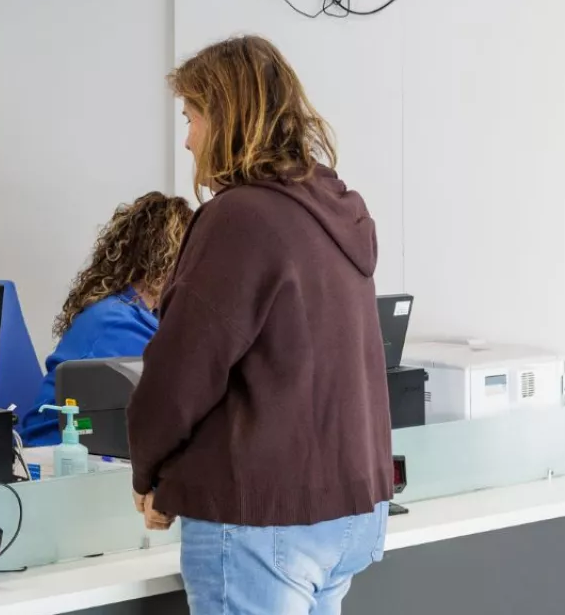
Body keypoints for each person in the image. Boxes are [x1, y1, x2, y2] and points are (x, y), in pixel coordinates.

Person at [128, 36, 391, 614]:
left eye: (192, 117)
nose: (189, 138)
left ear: (226, 119)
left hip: (263, 518)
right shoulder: (336, 210)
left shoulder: (239, 217)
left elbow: (181, 373)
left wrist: (148, 472)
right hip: (347, 512)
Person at [16, 192, 193, 446]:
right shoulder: (116, 322)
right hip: (54, 456)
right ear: (166, 259)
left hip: (95, 452)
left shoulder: (137, 312)